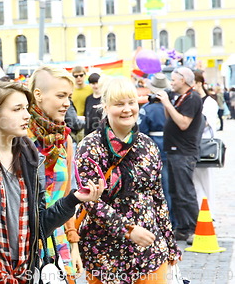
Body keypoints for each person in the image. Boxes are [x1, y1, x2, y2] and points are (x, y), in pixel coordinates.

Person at [0, 82, 104, 284]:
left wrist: (73, 200)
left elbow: (37, 228)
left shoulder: (30, 160)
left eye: (26, 109)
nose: (27, 115)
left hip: (24, 273)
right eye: (17, 109)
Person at [75, 77, 181, 284]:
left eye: (131, 103)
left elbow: (157, 198)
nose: (127, 109)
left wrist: (170, 243)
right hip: (104, 254)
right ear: (105, 106)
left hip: (149, 251)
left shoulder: (148, 145)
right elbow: (89, 200)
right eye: (119, 104)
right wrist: (128, 230)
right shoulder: (90, 147)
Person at [26, 66, 82, 278]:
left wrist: (73, 243)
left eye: (69, 96)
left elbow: (67, 196)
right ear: (38, 94)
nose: (67, 103)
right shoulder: (21, 138)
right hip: (26, 240)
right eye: (60, 95)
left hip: (59, 242)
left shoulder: (63, 140)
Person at [156, 67, 203, 242]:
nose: (171, 82)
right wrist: (167, 104)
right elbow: (172, 119)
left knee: (185, 192)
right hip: (175, 151)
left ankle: (195, 229)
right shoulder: (181, 97)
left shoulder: (192, 98)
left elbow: (183, 123)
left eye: (174, 79)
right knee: (175, 192)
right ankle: (182, 228)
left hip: (184, 152)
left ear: (183, 80)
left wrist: (168, 103)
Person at [138, 73, 174, 220]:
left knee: (161, 189)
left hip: (155, 149)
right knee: (173, 188)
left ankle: (164, 220)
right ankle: (174, 220)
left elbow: (142, 131)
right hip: (174, 148)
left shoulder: (147, 108)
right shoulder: (172, 105)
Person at [192, 72, 219, 224]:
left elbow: (207, 123)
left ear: (199, 83)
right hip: (192, 144)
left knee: (207, 181)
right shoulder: (193, 100)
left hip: (204, 144)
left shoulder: (209, 102)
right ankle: (201, 213)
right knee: (194, 182)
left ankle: (210, 214)